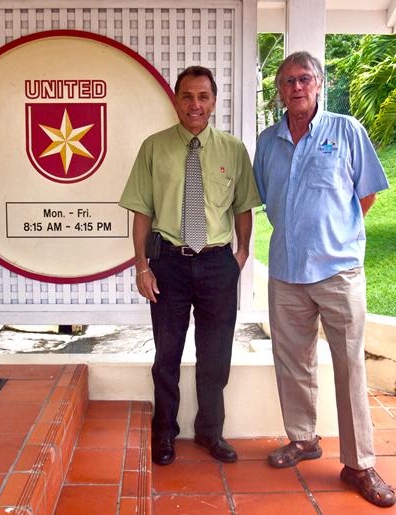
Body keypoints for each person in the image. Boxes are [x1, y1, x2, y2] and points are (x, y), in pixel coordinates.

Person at [253, 51, 395, 507]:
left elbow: (366, 193)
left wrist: (337, 236)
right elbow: (267, 201)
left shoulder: (346, 130)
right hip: (287, 273)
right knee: (293, 362)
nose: (296, 86)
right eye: (287, 80)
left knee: (350, 367)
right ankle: (303, 439)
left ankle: (360, 464)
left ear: (319, 83)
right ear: (279, 90)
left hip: (338, 272)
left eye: (304, 78)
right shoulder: (267, 141)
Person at [120, 66, 260, 465]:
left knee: (215, 356)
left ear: (214, 102)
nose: (195, 104)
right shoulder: (153, 147)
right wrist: (142, 266)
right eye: (187, 96)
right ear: (176, 100)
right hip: (168, 266)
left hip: (218, 263)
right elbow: (142, 213)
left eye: (203, 97)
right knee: (167, 354)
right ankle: (164, 433)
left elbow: (243, 207)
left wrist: (242, 254)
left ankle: (210, 433)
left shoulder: (233, 150)